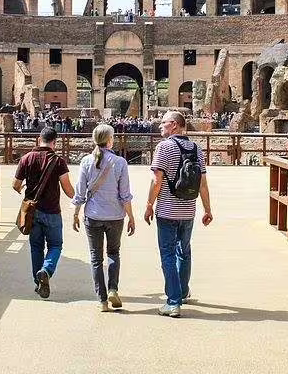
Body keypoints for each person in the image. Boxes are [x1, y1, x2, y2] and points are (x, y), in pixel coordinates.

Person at [144, 111, 213, 318]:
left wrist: (149, 205)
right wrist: (208, 209)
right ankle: (182, 292)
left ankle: (173, 302)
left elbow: (157, 180)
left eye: (163, 123)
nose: (160, 126)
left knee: (167, 254)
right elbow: (202, 183)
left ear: (174, 125)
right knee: (184, 251)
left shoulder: (164, 147)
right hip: (188, 211)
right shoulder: (196, 149)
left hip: (167, 210)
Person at [72, 124, 135, 311]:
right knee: (113, 253)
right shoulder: (120, 162)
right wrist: (131, 216)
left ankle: (102, 301)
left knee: (96, 258)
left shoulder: (85, 162)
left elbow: (80, 193)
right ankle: (113, 289)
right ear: (109, 140)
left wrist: (75, 213)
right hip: (115, 216)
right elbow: (125, 194)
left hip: (93, 215)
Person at [13, 127, 75, 299]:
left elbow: (15, 184)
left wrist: (24, 189)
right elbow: (67, 188)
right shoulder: (58, 161)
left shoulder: (26, 158)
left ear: (39, 139)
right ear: (55, 142)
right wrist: (78, 199)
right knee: (55, 245)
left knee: (36, 247)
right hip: (52, 211)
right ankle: (46, 271)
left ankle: (37, 282)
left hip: (33, 212)